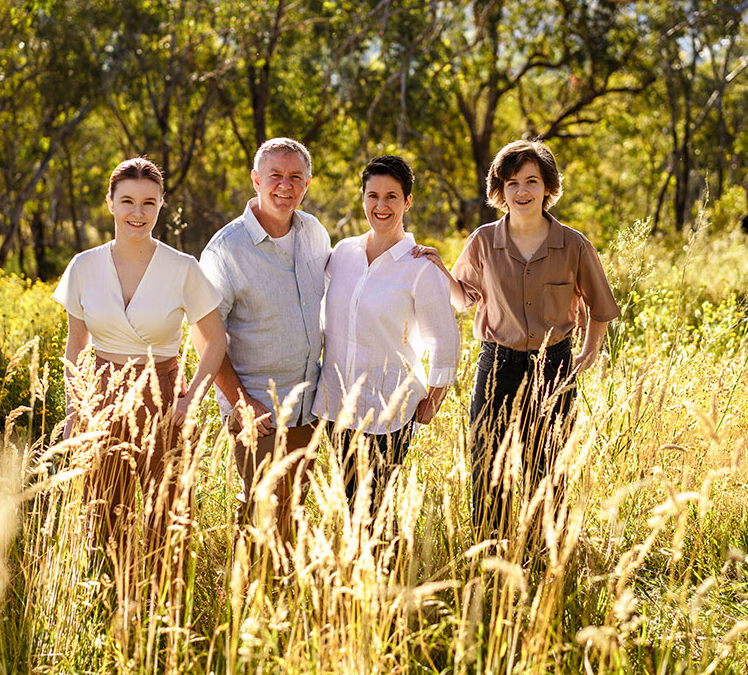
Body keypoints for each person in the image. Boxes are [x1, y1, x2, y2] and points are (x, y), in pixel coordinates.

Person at [415, 140, 620, 537]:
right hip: (497, 368)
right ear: (500, 191)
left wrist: (589, 354)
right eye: (512, 183)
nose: (522, 192)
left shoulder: (573, 244)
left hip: (554, 369)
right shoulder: (482, 242)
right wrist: (441, 268)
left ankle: (545, 556)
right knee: (489, 466)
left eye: (531, 181)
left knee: (548, 467)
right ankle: (491, 555)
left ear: (548, 188)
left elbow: (601, 306)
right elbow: (463, 299)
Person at [52, 156, 226, 574]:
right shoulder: (83, 265)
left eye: (149, 203)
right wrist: (76, 409)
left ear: (161, 205)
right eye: (127, 201)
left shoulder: (183, 268)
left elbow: (217, 341)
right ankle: (107, 602)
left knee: (163, 513)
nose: (137, 212)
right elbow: (76, 344)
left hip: (161, 393)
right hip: (102, 393)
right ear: (110, 203)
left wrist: (190, 401)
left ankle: (159, 611)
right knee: (101, 511)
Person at [199, 137, 330, 546]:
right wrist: (243, 403)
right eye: (275, 175)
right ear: (256, 180)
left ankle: (288, 600)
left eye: (295, 177)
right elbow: (206, 337)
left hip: (309, 406)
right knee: (261, 513)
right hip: (258, 409)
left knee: (295, 512)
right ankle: (250, 600)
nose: (284, 185)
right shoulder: (226, 250)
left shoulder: (314, 233)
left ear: (307, 183)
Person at [312, 155, 459, 516]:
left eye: (392, 196)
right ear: (362, 198)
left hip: (387, 412)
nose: (381, 206)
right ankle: (362, 572)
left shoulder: (418, 266)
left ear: (407, 202)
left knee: (375, 512)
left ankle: (382, 572)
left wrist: (433, 402)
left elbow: (446, 339)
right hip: (336, 406)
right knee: (353, 506)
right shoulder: (343, 252)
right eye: (373, 195)